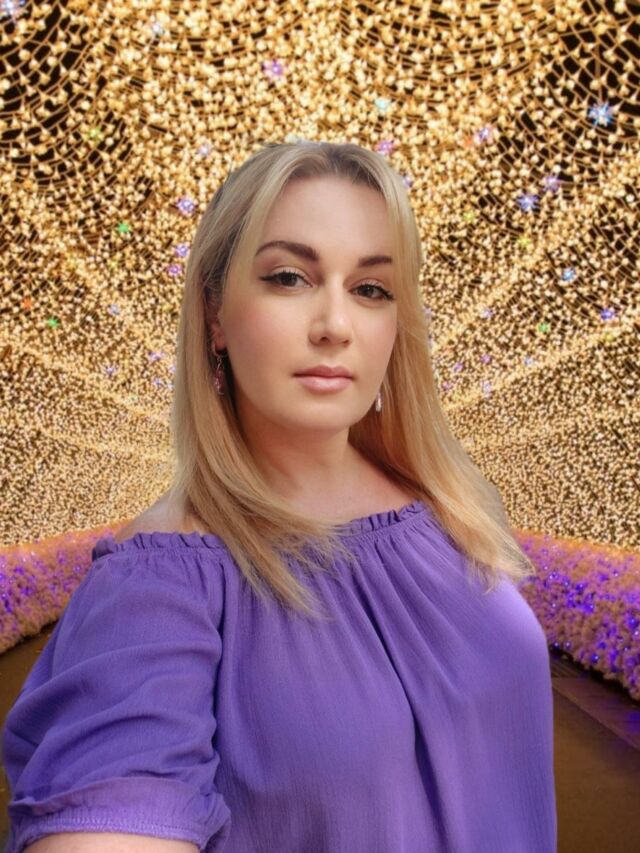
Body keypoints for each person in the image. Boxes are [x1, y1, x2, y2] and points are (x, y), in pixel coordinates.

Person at [1, 141, 557, 852]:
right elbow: (116, 800)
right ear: (214, 313)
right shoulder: (161, 586)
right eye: (289, 277)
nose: (335, 325)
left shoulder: (447, 511)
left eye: (371, 288)